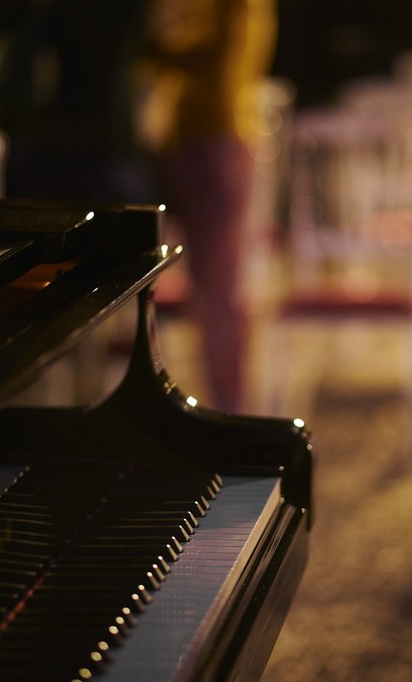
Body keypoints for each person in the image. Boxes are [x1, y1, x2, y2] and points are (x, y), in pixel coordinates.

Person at [136, 0, 277, 413]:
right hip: (197, 141)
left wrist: (148, 43)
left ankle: (229, 410)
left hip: (215, 141)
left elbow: (213, 60)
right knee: (210, 287)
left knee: (219, 288)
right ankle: (211, 405)